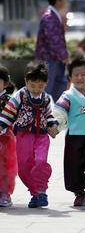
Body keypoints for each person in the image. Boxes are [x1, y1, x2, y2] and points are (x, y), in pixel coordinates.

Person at [0, 61, 59, 208]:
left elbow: (49, 114)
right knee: (23, 167)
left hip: (41, 135)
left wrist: (53, 125)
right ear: (26, 81)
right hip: (23, 136)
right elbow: (9, 112)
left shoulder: (45, 98)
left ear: (46, 84)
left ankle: (42, 190)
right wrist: (1, 125)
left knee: (40, 161)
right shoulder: (20, 95)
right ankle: (35, 193)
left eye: (40, 86)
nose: (36, 89)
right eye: (33, 85)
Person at [54, 55, 85, 207]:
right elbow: (59, 112)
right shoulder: (67, 96)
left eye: (83, 74)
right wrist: (55, 126)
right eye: (76, 74)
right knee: (73, 167)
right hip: (74, 137)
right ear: (70, 77)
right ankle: (79, 193)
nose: (79, 77)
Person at [35, 0, 69, 102]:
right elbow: (54, 39)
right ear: (58, 0)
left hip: (55, 59)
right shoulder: (49, 16)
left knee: (58, 88)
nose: (65, 1)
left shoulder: (53, 15)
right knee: (48, 90)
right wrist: (64, 56)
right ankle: (45, 116)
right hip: (50, 60)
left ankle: (55, 116)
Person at [0, 65, 17, 207]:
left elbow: (14, 116)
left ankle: (5, 193)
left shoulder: (9, 100)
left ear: (5, 83)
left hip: (5, 139)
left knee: (6, 168)